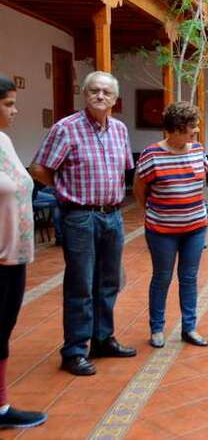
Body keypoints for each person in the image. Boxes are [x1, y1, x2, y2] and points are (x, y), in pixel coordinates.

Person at [31, 71, 136, 376]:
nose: (100, 95)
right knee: (81, 284)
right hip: (80, 216)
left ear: (115, 99)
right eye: (94, 90)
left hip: (112, 214)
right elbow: (39, 168)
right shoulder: (66, 128)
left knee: (109, 281)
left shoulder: (119, 130)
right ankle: (75, 350)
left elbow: (123, 170)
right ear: (84, 94)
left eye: (106, 92)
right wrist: (64, 190)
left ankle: (102, 339)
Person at [134, 102, 208, 349]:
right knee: (162, 277)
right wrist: (153, 213)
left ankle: (189, 327)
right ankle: (157, 328)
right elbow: (139, 189)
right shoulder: (152, 154)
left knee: (189, 278)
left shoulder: (198, 150)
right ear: (176, 129)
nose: (196, 130)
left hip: (195, 228)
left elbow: (201, 184)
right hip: (162, 231)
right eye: (192, 126)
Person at [0, 75, 47, 429]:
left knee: (3, 330)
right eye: (8, 104)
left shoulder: (3, 140)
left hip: (14, 257)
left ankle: (1, 405)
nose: (15, 111)